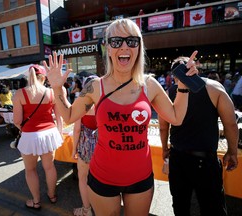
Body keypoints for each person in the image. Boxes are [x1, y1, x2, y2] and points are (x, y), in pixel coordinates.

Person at [44, 18, 198, 215]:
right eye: (116, 41)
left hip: (140, 177)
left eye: (131, 41)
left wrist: (183, 88)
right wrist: (57, 87)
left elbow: (176, 118)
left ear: (139, 47)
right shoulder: (95, 86)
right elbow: (68, 115)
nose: (124, 46)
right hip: (103, 177)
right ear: (108, 48)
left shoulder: (149, 85)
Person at [159, 56, 238, 216]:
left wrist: (164, 149)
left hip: (178, 158)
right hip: (205, 160)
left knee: (181, 207)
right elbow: (230, 123)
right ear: (194, 69)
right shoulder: (215, 88)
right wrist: (232, 151)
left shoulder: (170, 91)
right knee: (213, 208)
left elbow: (163, 126)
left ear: (175, 75)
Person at [12, 65, 63, 210]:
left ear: (29, 76)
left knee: (30, 170)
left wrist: (26, 130)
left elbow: (16, 121)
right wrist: (59, 133)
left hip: (29, 135)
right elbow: (59, 118)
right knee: (49, 167)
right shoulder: (51, 92)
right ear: (44, 77)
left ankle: (36, 201)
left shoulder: (20, 93)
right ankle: (52, 195)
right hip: (49, 134)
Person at [72, 76, 98, 216]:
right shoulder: (105, 103)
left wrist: (73, 149)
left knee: (83, 178)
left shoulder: (80, 104)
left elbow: (77, 130)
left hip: (86, 147)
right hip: (103, 147)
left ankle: (86, 210)